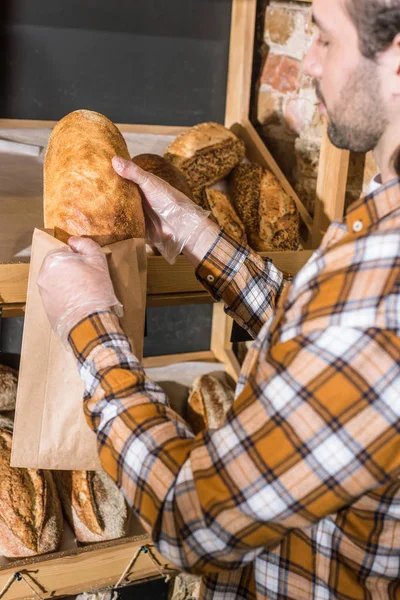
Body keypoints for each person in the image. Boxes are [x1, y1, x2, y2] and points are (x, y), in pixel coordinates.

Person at [38, 0, 400, 597]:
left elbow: (192, 522)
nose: (308, 63)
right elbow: (320, 347)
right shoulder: (383, 214)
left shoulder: (382, 288)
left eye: (327, 41)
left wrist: (90, 324)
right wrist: (201, 237)